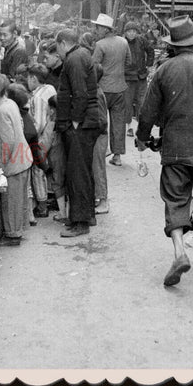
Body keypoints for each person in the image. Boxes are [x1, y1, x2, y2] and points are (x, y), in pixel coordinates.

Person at [135, 15, 193, 287]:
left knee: (176, 201)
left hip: (175, 149)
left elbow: (147, 113)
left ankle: (180, 252)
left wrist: (142, 138)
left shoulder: (162, 71)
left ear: (173, 44)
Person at [55, 29, 100, 238]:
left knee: (77, 173)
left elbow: (80, 94)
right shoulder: (81, 55)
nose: (58, 52)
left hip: (81, 124)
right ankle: (87, 214)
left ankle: (80, 221)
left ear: (63, 43)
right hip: (87, 122)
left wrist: (74, 121)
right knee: (83, 170)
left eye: (57, 47)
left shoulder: (74, 59)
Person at [0, 74, 33, 246]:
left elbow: (7, 142)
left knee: (11, 200)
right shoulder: (10, 103)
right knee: (19, 199)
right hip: (23, 156)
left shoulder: (2, 110)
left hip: (14, 162)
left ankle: (13, 235)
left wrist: (1, 166)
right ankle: (18, 230)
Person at [91, 13, 131, 167]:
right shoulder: (124, 42)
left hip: (103, 88)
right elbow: (129, 61)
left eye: (98, 27)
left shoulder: (100, 45)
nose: (96, 30)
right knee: (119, 122)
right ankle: (117, 155)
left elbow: (94, 66)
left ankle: (103, 150)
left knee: (101, 120)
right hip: (120, 88)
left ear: (106, 29)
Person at [7, 83, 45, 227]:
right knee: (27, 187)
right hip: (28, 156)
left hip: (22, 157)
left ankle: (26, 215)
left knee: (24, 188)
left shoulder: (18, 116)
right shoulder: (27, 114)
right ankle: (29, 215)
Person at [27, 64, 57, 218]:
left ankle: (42, 205)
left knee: (37, 169)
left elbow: (38, 124)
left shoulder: (37, 98)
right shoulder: (50, 88)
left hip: (43, 136)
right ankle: (52, 197)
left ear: (33, 78)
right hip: (53, 132)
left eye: (28, 78)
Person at [123, 21, 154, 138]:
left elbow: (150, 50)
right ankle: (129, 127)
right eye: (129, 31)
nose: (131, 34)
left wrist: (149, 64)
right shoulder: (122, 42)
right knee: (128, 102)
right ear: (125, 33)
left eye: (134, 31)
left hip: (141, 76)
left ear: (137, 32)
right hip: (128, 77)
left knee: (142, 102)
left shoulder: (141, 40)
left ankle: (140, 127)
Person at [44, 95, 68, 222]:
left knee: (57, 184)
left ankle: (62, 214)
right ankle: (68, 211)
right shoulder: (66, 123)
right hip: (67, 157)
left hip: (55, 157)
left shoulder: (51, 125)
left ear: (52, 110)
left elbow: (44, 144)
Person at [92, 63, 109, 215]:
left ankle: (103, 200)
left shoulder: (96, 94)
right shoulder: (96, 91)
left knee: (98, 168)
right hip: (98, 135)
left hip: (98, 136)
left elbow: (102, 121)